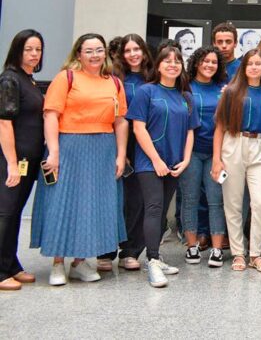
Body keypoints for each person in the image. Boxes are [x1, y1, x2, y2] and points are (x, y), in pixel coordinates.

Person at [32, 34, 128, 286]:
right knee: (62, 203)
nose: (95, 55)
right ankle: (57, 263)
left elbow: (120, 121)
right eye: (89, 51)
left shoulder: (114, 83)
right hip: (70, 147)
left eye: (99, 50)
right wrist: (54, 152)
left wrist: (120, 155)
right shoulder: (66, 78)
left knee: (93, 205)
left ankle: (79, 262)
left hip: (103, 150)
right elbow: (51, 115)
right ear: (78, 55)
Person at [127, 45, 198, 288]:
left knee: (162, 209)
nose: (172, 64)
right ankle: (153, 261)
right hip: (149, 162)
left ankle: (156, 256)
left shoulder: (186, 97)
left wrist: (186, 159)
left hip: (175, 163)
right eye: (167, 60)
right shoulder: (147, 92)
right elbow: (138, 128)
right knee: (154, 208)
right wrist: (156, 160)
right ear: (157, 66)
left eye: (177, 61)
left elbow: (190, 131)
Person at [211, 49, 261, 273]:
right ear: (243, 67)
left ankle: (255, 254)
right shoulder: (231, 92)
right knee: (233, 203)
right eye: (250, 64)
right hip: (233, 143)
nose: (254, 67)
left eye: (259, 64)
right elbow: (219, 128)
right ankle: (238, 253)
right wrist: (216, 159)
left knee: (259, 203)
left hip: (258, 146)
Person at [102, 34, 153, 272]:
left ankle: (130, 251)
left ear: (144, 51)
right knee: (113, 199)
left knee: (137, 201)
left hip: (146, 143)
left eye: (137, 49)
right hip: (117, 142)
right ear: (121, 54)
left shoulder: (153, 78)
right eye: (128, 50)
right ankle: (105, 250)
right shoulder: (113, 79)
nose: (133, 54)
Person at [0, 30, 45, 291]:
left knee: (15, 213)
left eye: (38, 49)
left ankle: (11, 265)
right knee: (5, 213)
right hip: (12, 160)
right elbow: (5, 124)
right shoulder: (9, 80)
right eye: (29, 49)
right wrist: (12, 163)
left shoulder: (28, 80)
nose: (34, 54)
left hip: (29, 159)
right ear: (18, 50)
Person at [180, 47, 228, 268]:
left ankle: (217, 249)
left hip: (216, 153)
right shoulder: (185, 87)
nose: (209, 65)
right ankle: (192, 247)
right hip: (191, 153)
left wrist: (220, 157)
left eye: (214, 62)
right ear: (197, 63)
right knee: (189, 199)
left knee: (215, 200)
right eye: (205, 61)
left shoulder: (223, 88)